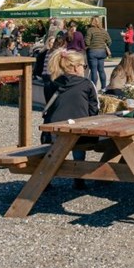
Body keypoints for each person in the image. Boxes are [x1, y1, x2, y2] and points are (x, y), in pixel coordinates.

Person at [42, 49, 101, 191]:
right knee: (79, 150)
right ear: (75, 67)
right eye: (84, 66)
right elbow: (94, 109)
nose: (85, 69)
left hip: (53, 133)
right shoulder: (87, 84)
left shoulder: (51, 83)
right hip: (81, 134)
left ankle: (45, 180)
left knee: (53, 153)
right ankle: (78, 179)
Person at [83, 16, 111, 89]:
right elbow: (109, 42)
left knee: (94, 70)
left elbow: (87, 42)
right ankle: (103, 88)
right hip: (102, 52)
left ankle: (94, 88)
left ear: (92, 22)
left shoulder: (90, 30)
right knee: (101, 70)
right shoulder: (103, 31)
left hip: (92, 52)